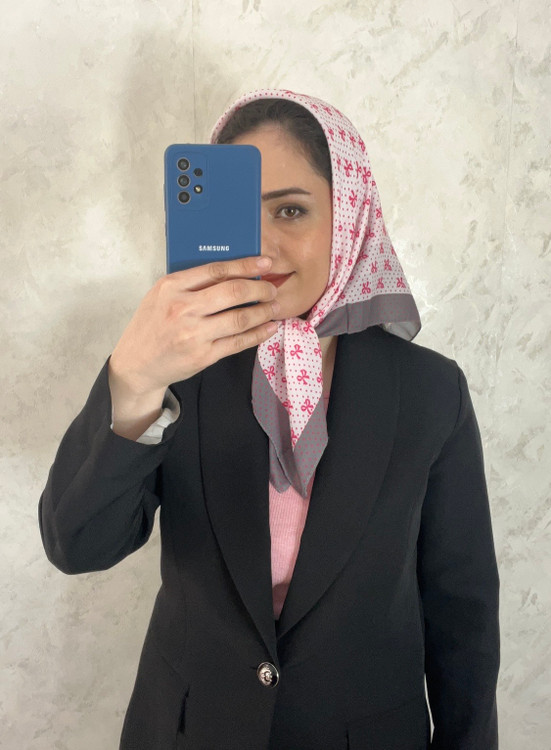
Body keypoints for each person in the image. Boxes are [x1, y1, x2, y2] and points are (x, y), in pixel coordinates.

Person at [38, 88, 500, 750]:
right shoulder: (177, 366)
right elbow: (77, 546)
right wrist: (134, 378)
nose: (261, 244)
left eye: (291, 210)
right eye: (238, 212)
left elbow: (461, 609)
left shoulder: (430, 391)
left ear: (347, 218)